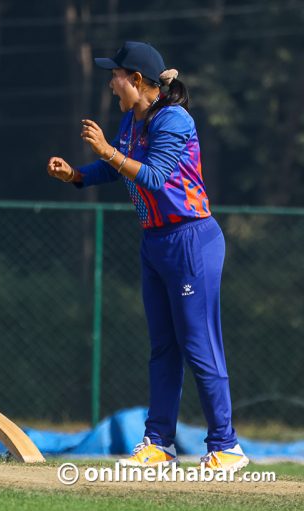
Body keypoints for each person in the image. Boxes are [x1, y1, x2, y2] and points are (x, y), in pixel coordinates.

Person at [46, 41, 248, 473]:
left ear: (137, 80)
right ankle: (158, 443)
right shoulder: (132, 120)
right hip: (156, 242)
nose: (111, 82)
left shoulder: (174, 119)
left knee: (199, 345)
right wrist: (79, 174)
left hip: (191, 239)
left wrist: (108, 153)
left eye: (115, 75)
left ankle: (226, 446)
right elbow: (116, 166)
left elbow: (154, 176)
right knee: (163, 349)